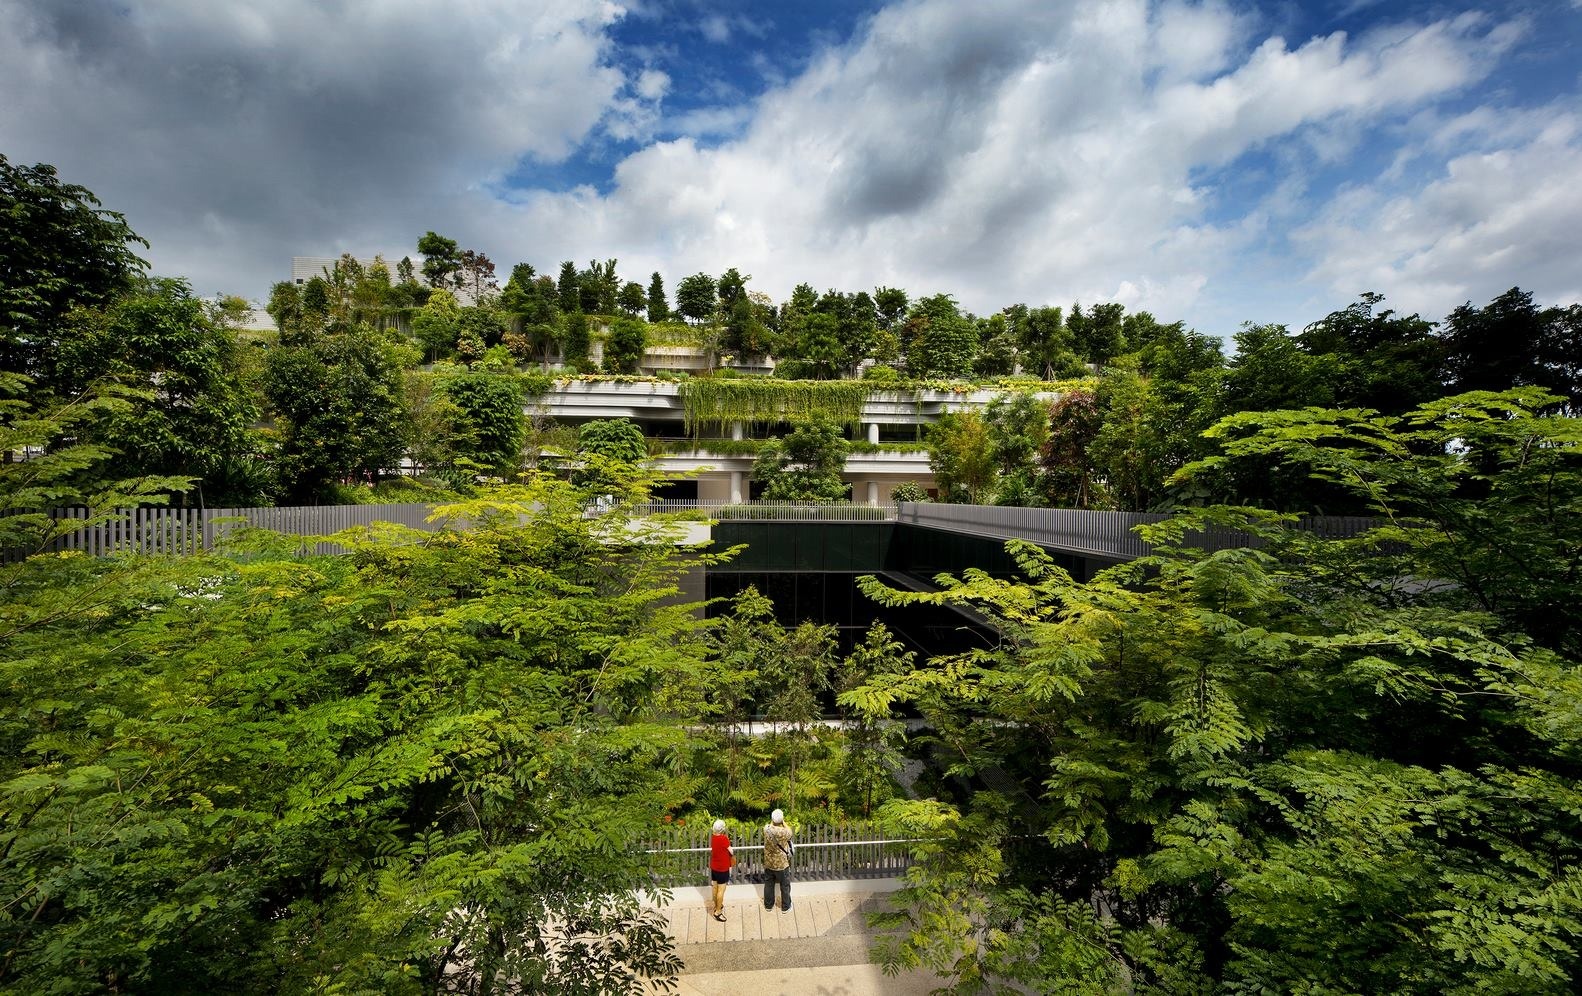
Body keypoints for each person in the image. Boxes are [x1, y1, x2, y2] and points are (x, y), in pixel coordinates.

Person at [762, 808, 793, 913]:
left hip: (769, 862)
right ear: (782, 820)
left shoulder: (766, 829)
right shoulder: (784, 832)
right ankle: (786, 907)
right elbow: (790, 832)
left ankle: (768, 906)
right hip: (781, 864)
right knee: (785, 885)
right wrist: (783, 823)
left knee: (769, 884)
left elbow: (770, 825)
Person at [708, 819, 733, 922]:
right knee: (721, 890)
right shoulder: (724, 839)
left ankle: (717, 905)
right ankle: (718, 912)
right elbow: (731, 851)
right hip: (722, 868)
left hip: (714, 866)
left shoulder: (713, 837)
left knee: (715, 887)